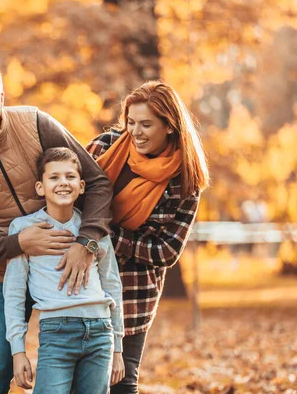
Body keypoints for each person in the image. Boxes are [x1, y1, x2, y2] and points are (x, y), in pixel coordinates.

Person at [0, 59, 113, 393]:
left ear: (2, 95)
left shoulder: (36, 122)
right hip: (5, 274)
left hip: (65, 266)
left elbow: (97, 183)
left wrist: (86, 243)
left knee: (80, 373)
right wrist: (20, 243)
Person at [86, 81, 210, 394]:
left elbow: (167, 251)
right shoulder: (105, 148)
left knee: (123, 384)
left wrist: (107, 236)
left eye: (146, 124)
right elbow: (69, 197)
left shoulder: (185, 180)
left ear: (169, 126)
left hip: (133, 292)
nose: (136, 132)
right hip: (83, 282)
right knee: (79, 380)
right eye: (130, 122)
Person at [4, 148, 125, 393]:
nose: (63, 183)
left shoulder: (92, 228)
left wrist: (118, 348)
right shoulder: (24, 228)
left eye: (70, 177)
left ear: (81, 186)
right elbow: (14, 293)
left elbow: (112, 284)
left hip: (100, 332)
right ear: (40, 187)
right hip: (56, 333)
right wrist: (18, 351)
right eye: (54, 177)